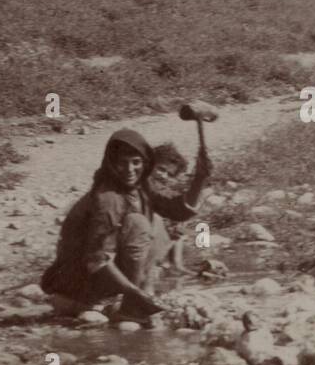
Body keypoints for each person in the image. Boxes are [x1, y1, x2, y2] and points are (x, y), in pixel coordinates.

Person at [40, 127, 211, 320]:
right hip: (78, 280)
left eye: (136, 162)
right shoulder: (107, 199)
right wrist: (134, 294)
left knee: (155, 222)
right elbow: (96, 259)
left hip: (101, 273)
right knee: (139, 223)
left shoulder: (140, 186)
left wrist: (199, 179)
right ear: (111, 164)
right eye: (122, 163)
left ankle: (138, 292)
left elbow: (178, 211)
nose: (130, 170)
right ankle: (128, 304)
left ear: (145, 163)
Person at [147, 142, 190, 276]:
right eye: (161, 169)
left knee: (179, 225)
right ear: (151, 164)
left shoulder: (160, 185)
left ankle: (176, 264)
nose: (164, 176)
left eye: (169, 174)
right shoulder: (145, 181)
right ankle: (168, 264)